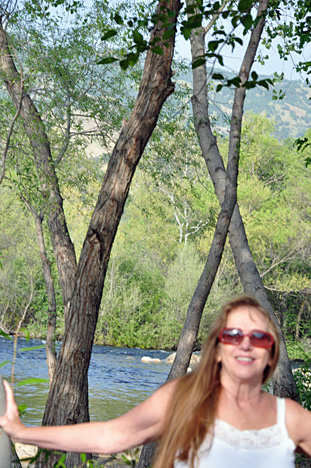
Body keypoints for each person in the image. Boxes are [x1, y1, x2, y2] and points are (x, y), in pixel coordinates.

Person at [1, 295, 311, 468]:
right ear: (217, 350)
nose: (245, 344)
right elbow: (113, 436)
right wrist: (23, 432)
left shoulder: (292, 419)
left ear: (271, 355)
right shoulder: (184, 397)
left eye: (258, 337)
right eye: (232, 335)